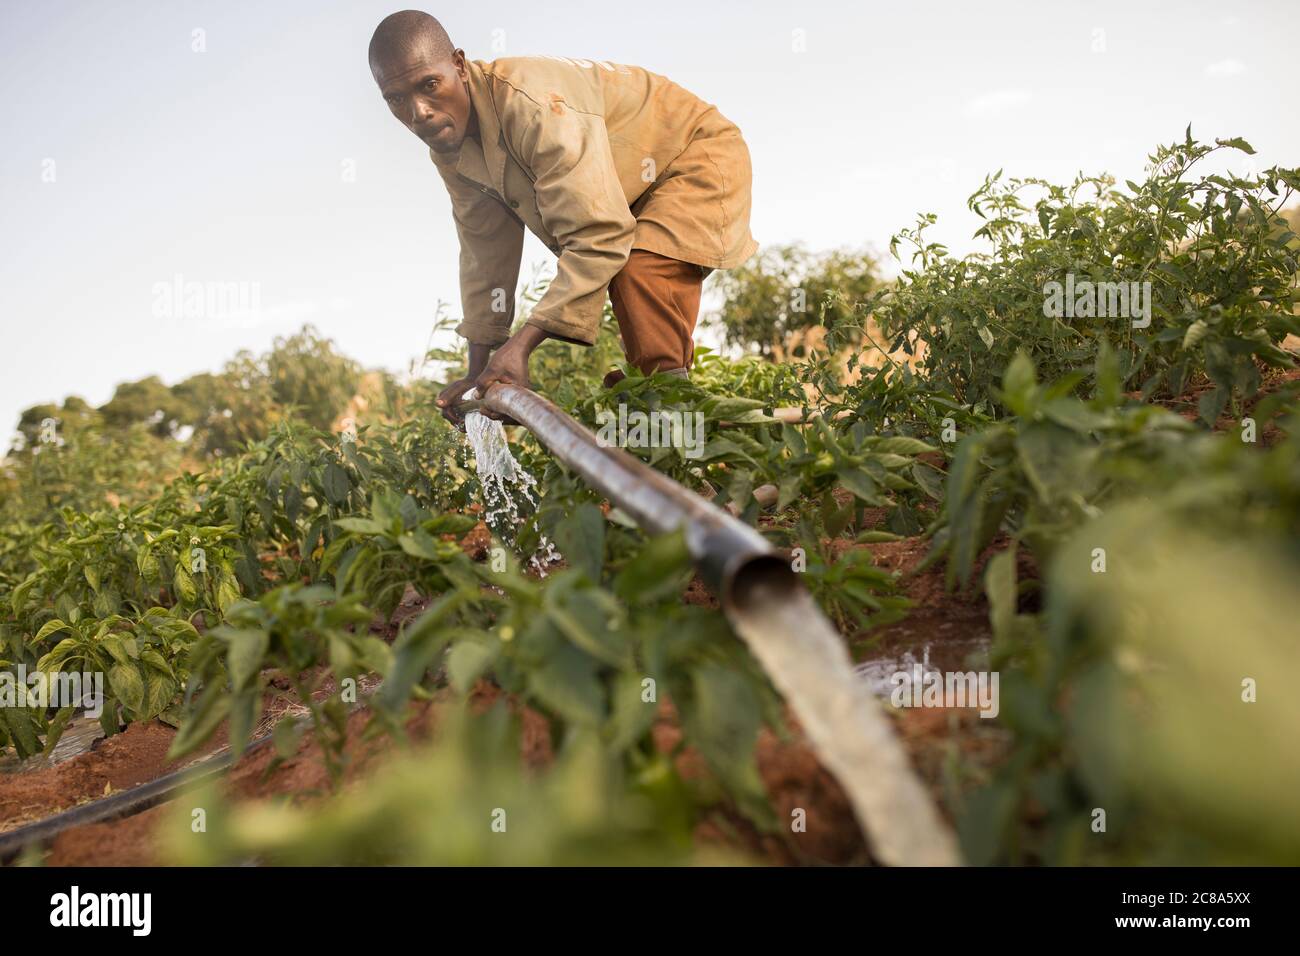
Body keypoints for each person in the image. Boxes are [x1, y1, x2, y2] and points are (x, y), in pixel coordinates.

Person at [368, 11, 758, 426]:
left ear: (459, 67)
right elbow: (485, 255)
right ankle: (665, 425)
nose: (419, 112)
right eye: (396, 98)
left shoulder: (532, 106)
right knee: (638, 306)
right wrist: (478, 372)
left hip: (692, 153)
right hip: (628, 194)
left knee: (639, 271)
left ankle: (678, 431)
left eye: (429, 85)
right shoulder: (452, 147)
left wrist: (521, 347)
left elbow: (600, 236)